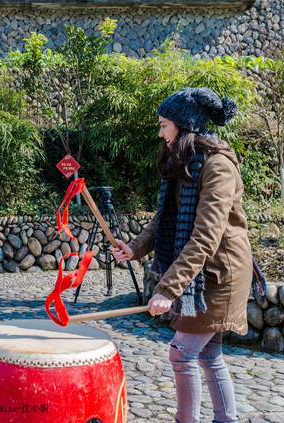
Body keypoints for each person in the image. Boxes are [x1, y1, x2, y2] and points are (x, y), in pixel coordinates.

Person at [110, 87, 252, 423]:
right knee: (209, 354)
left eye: (164, 125)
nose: (160, 132)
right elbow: (165, 219)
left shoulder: (218, 166)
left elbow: (205, 236)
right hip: (205, 273)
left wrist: (168, 288)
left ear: (184, 126)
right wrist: (136, 248)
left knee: (182, 352)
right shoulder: (185, 161)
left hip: (220, 276)